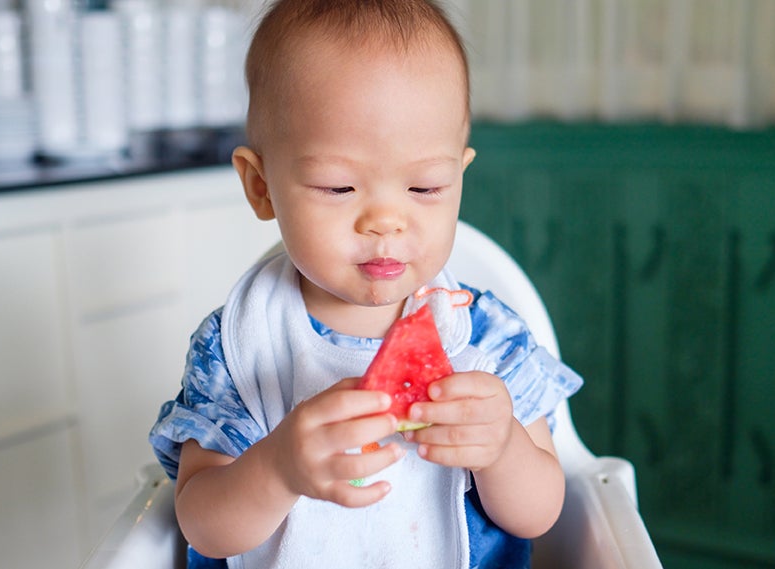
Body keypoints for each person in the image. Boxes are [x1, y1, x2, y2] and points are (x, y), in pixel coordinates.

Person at [149, 0, 583, 567]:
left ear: (459, 175)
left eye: (425, 187)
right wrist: (277, 468)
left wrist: (501, 449)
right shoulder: (235, 344)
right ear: (260, 186)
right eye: (338, 187)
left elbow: (540, 514)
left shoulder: (485, 336)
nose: (386, 221)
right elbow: (204, 527)